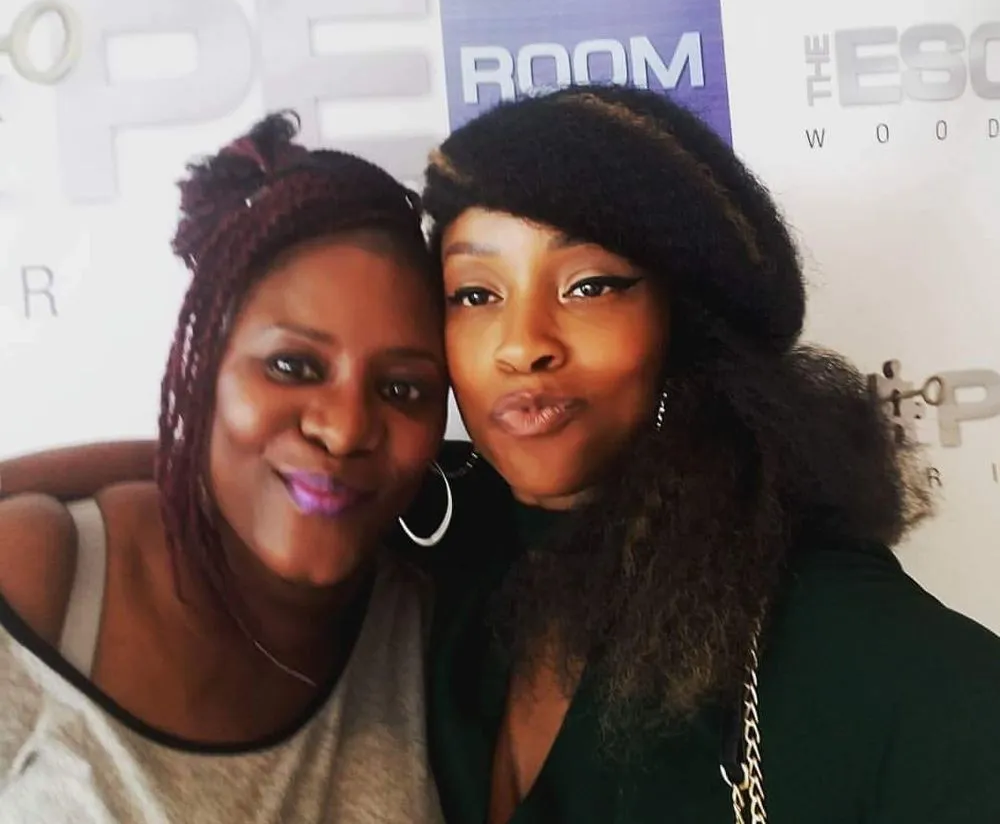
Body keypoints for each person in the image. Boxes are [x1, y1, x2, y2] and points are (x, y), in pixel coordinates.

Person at [6, 86, 1000, 824]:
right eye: (477, 294)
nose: (523, 343)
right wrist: (197, 454)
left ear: (685, 329)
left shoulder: (824, 627)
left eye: (589, 286)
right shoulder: (448, 542)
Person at [0, 114, 450, 823]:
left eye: (402, 389)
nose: (343, 430)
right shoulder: (47, 576)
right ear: (205, 365)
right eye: (293, 366)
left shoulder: (431, 617)